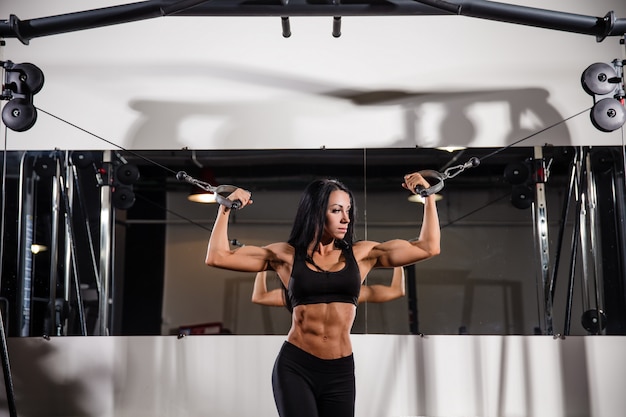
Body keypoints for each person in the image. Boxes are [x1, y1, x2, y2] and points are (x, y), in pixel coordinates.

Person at [205, 173, 440, 417]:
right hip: (296, 366)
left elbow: (429, 247)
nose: (346, 218)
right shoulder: (285, 255)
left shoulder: (363, 254)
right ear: (317, 212)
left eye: (348, 210)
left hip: (340, 370)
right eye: (337, 210)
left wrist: (428, 196)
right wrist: (225, 207)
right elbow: (217, 256)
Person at [251, 267, 406, 312]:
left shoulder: (350, 293)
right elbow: (259, 297)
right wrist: (265, 265)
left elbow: (396, 290)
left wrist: (398, 263)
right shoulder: (297, 294)